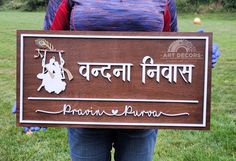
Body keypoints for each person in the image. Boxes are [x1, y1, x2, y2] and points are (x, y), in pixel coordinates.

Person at [43, 0, 220, 161]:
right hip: (83, 109)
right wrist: (34, 99)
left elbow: (168, 48)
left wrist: (196, 54)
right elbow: (48, 43)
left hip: (143, 111)